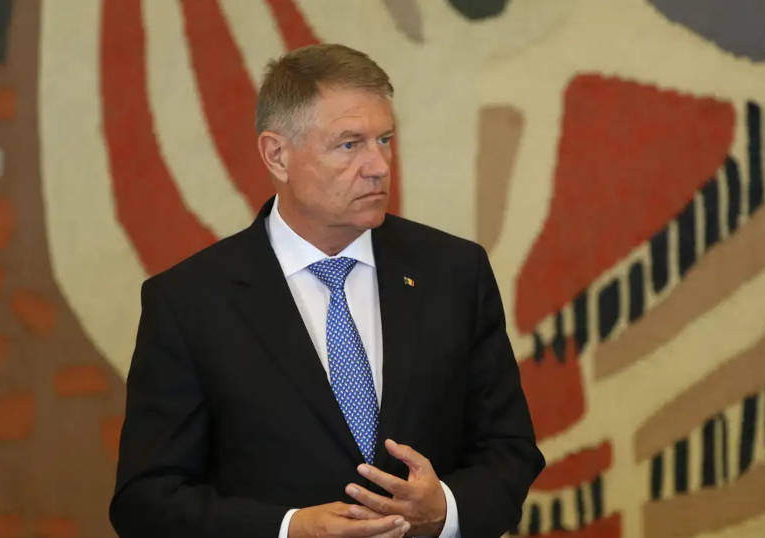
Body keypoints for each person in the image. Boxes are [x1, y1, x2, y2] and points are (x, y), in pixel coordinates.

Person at [109, 43, 543, 538]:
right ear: (277, 155)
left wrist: (444, 510)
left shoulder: (455, 273)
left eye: (385, 139)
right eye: (349, 144)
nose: (379, 165)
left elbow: (509, 452)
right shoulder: (189, 302)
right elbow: (146, 501)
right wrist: (288, 529)